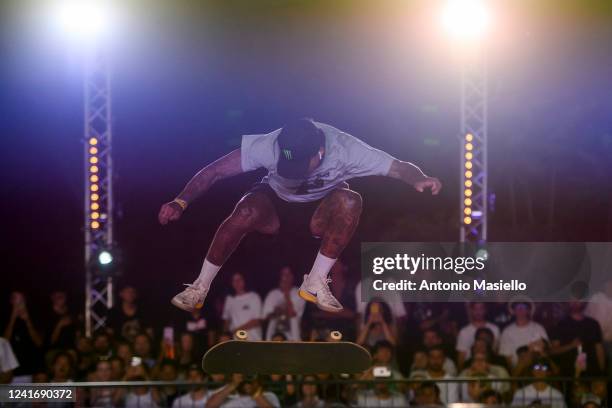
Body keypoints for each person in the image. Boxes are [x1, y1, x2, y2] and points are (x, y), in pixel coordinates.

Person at [158, 118, 441, 312]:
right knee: (245, 210)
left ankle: (316, 281)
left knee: (351, 200)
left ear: (320, 152)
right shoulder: (270, 145)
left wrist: (419, 178)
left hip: (319, 211)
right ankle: (199, 286)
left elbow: (398, 167)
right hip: (275, 204)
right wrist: (181, 201)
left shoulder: (348, 150)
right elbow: (215, 170)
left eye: (301, 167)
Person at [550, 296, 606, 376]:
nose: (575, 302)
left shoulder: (593, 324)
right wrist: (571, 346)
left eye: (578, 299)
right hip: (568, 372)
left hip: (590, 371)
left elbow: (599, 349)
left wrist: (602, 372)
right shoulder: (560, 324)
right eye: (572, 299)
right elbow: (553, 351)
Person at [3, 291, 43, 382]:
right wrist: (12, 318)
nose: (19, 304)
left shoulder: (33, 315)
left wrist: (27, 320)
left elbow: (39, 343)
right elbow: (3, 343)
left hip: (28, 367)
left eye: (21, 300)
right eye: (16, 300)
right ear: (11, 301)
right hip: (9, 370)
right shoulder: (5, 316)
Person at [498, 299, 548, 368]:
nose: (520, 310)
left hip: (536, 370)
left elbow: (545, 351)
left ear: (528, 310)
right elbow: (506, 357)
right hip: (516, 371)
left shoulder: (538, 328)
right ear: (513, 311)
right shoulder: (507, 331)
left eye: (523, 307)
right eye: (518, 307)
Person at [262, 266, 305, 341]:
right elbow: (266, 316)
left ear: (293, 277)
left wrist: (286, 293)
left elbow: (293, 313)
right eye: (283, 274)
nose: (285, 277)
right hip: (273, 337)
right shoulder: (272, 294)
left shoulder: (299, 293)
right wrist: (276, 312)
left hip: (293, 338)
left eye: (288, 275)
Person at [456, 302, 500, 370]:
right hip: (470, 367)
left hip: (491, 367)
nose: (478, 312)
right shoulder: (464, 331)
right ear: (471, 311)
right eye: (475, 309)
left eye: (481, 309)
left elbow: (496, 351)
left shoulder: (495, 329)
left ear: (485, 310)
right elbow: (461, 356)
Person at [222, 272, 263, 340]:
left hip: (253, 339)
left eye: (239, 279)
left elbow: (256, 321)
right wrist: (225, 335)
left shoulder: (254, 296)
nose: (237, 282)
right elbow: (226, 320)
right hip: (236, 341)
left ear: (244, 280)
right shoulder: (229, 299)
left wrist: (235, 331)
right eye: (234, 280)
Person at [205, 373, 280, 407]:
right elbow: (209, 406)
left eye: (249, 374)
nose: (245, 379)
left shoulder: (268, 396)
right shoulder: (224, 394)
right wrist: (234, 384)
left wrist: (254, 392)